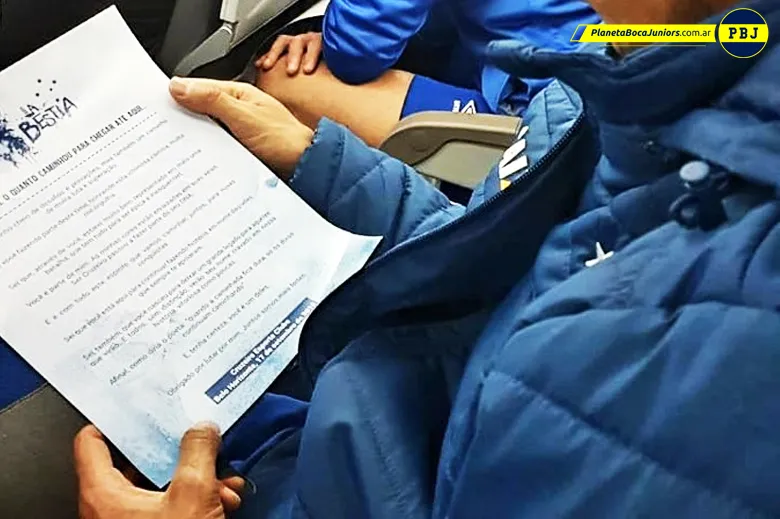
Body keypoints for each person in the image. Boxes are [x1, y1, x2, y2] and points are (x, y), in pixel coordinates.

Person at [75, 0, 780, 517]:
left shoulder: (695, 358)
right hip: (375, 402)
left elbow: (360, 46)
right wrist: (317, 160)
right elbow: (496, 267)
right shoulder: (637, 70)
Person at [253, 0, 601, 147]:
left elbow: (354, 55)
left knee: (285, 79)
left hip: (554, 118)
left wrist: (340, 36)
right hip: (609, 54)